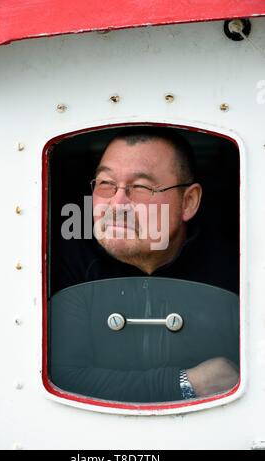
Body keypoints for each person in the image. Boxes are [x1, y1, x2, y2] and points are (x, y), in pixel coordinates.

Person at [50, 126, 239, 402]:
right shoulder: (63, 256)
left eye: (140, 187)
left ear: (188, 201)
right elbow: (63, 379)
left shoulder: (239, 262)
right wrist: (185, 384)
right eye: (105, 183)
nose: (117, 203)